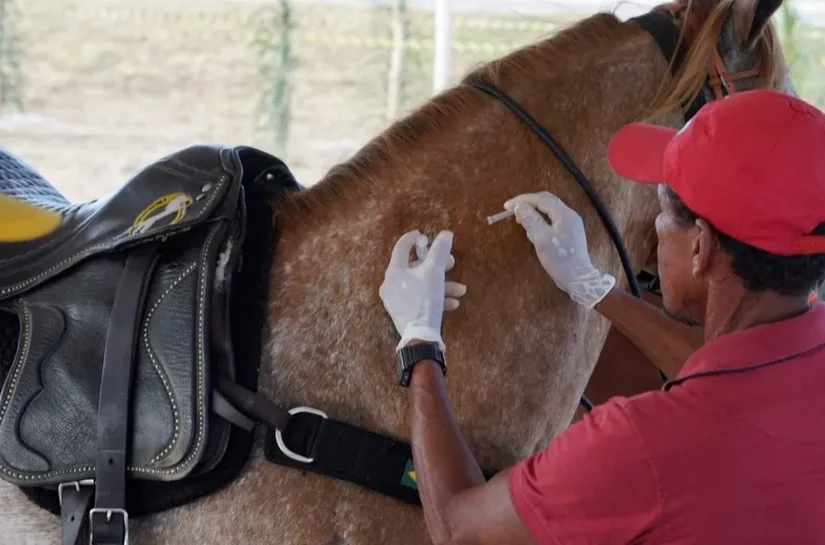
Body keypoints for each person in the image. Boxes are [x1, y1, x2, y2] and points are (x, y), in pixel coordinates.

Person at [378, 88, 825, 544]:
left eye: (665, 209)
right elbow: (732, 371)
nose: (655, 224)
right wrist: (592, 286)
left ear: (700, 247)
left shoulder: (643, 444)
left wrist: (419, 340)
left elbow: (460, 529)